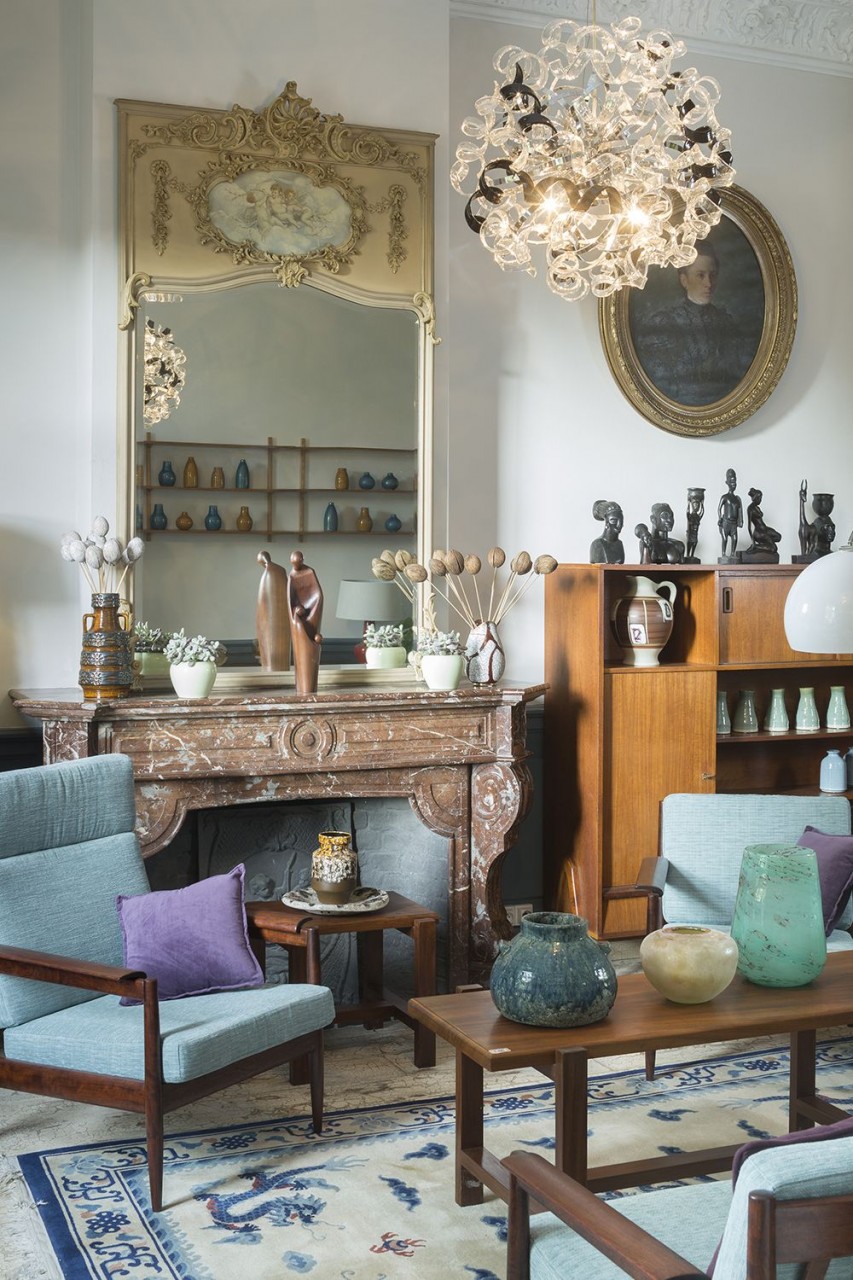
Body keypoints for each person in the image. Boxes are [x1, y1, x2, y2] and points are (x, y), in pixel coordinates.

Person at [632, 242, 754, 405]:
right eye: (700, 275)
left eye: (712, 275)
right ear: (684, 280)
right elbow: (660, 381)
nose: (709, 283)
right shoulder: (665, 323)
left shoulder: (726, 322)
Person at [288, 551, 324, 692]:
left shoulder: (310, 572)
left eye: (298, 561)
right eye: (294, 562)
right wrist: (295, 611)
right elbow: (290, 601)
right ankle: (302, 686)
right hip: (298, 615)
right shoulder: (291, 577)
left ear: (302, 560)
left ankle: (308, 687)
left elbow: (317, 594)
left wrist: (313, 606)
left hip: (312, 609)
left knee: (313, 639)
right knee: (301, 644)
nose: (296, 565)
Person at [745, 488, 781, 560]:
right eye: (759, 498)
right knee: (774, 548)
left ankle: (765, 544)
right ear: (755, 498)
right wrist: (753, 541)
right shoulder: (750, 509)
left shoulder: (757, 507)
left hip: (765, 529)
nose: (760, 500)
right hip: (759, 532)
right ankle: (756, 547)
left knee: (778, 537)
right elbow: (749, 526)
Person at [589, 499, 625, 564]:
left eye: (621, 521)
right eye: (614, 521)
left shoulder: (619, 544)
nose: (619, 525)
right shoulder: (598, 544)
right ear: (607, 523)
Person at [717, 468, 743, 559]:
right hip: (726, 522)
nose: (733, 484)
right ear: (727, 483)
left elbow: (739, 511)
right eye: (731, 482)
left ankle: (732, 554)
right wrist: (720, 518)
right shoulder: (725, 497)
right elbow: (719, 509)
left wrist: (740, 521)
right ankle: (724, 554)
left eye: (734, 482)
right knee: (725, 539)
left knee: (735, 539)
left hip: (734, 523)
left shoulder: (737, 499)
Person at [685, 487, 705, 561]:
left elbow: (702, 512)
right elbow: (687, 512)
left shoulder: (698, 517)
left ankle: (692, 555)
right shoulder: (690, 516)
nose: (696, 507)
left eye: (697, 505)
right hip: (691, 533)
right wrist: (688, 503)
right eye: (695, 505)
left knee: (695, 543)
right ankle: (688, 555)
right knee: (689, 543)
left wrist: (702, 503)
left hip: (695, 533)